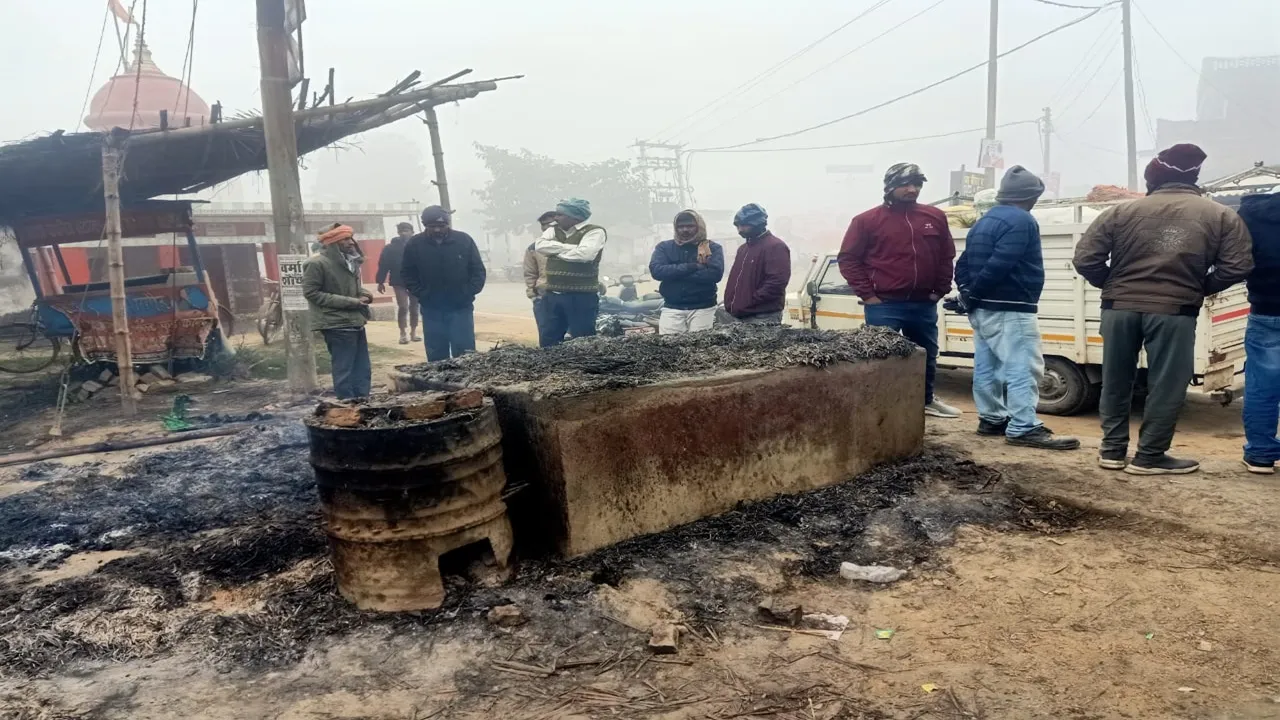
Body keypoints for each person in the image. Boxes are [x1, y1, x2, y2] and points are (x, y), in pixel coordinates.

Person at [1073, 144, 1253, 475]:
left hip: (1119, 309)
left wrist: (1113, 286)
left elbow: (1085, 259)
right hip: (1174, 310)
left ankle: (1112, 451)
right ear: (1194, 177)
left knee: (1115, 379)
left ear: (1153, 178)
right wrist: (1199, 288)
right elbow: (1238, 265)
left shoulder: (1120, 212)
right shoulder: (1221, 215)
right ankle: (1150, 456)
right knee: (1166, 385)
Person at [955, 166, 1079, 451]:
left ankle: (991, 419)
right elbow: (1001, 263)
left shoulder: (983, 222)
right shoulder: (1022, 220)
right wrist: (974, 294)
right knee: (1023, 367)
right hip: (1012, 308)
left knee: (988, 366)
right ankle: (1024, 427)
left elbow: (962, 264)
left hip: (983, 309)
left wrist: (968, 295)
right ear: (1030, 196)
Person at [839, 163, 960, 419]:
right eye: (905, 184)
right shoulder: (866, 221)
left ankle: (925, 400)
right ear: (890, 186)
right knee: (881, 357)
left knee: (926, 354)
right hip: (884, 305)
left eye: (917, 184)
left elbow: (946, 256)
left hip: (923, 303)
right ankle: (881, 407)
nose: (912, 189)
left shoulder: (934, 217)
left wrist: (939, 290)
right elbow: (848, 259)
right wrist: (868, 295)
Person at [401, 205, 487, 362]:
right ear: (425, 225)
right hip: (431, 308)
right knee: (436, 353)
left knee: (465, 352)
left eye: (441, 226)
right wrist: (422, 293)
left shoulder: (464, 240)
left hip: (460, 307)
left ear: (448, 224)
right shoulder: (415, 244)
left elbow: (478, 270)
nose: (437, 230)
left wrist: (467, 292)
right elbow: (407, 273)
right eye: (432, 226)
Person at [1235, 190, 1280, 474]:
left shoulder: (1251, 214)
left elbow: (1236, 260)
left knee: (1262, 387)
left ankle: (1261, 455)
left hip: (1266, 310)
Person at [302, 223, 372, 399]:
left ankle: (363, 403)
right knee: (344, 369)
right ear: (332, 242)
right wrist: (352, 302)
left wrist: (366, 295)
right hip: (335, 323)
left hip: (355, 320)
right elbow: (312, 293)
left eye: (351, 238)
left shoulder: (350, 261)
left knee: (362, 368)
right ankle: (347, 406)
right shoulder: (316, 264)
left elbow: (352, 288)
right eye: (345, 239)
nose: (351, 242)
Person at [535, 198, 607, 346]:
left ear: (575, 217)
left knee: (583, 340)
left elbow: (585, 255)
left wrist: (555, 252)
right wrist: (571, 248)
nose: (555, 218)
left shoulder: (595, 231)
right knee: (548, 339)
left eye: (560, 214)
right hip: (552, 295)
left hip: (581, 297)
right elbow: (540, 246)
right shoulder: (553, 229)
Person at [649, 209, 725, 335]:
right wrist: (693, 267)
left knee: (701, 345)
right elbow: (657, 271)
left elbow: (714, 275)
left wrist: (674, 273)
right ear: (675, 228)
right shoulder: (664, 247)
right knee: (669, 344)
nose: (685, 230)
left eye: (690, 226)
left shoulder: (712, 248)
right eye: (680, 226)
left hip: (703, 309)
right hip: (672, 309)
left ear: (699, 227)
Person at [723, 203, 790, 324]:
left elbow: (776, 282)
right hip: (740, 314)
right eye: (738, 226)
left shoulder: (775, 246)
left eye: (744, 225)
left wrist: (750, 301)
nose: (740, 230)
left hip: (762, 316)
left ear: (757, 224)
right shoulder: (743, 249)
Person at [376, 221, 420, 345]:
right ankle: (403, 333)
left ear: (412, 232)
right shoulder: (390, 248)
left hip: (415, 281)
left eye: (406, 230)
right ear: (398, 233)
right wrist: (380, 281)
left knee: (414, 307)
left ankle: (413, 332)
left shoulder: (418, 246)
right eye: (401, 231)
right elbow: (383, 265)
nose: (404, 233)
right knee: (403, 306)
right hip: (398, 280)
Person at [524, 211, 556, 344]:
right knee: (547, 335)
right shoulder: (534, 248)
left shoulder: (570, 244)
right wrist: (534, 296)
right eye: (543, 224)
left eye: (550, 223)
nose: (546, 227)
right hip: (543, 297)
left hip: (568, 294)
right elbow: (530, 273)